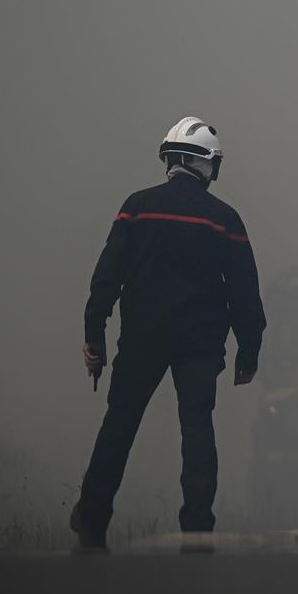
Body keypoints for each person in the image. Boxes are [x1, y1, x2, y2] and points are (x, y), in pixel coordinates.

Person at [72, 117, 265, 551]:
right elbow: (244, 293)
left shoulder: (137, 207)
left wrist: (94, 334)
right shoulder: (225, 218)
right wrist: (248, 352)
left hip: (141, 339)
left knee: (118, 426)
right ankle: (197, 533)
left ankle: (91, 522)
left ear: (171, 159)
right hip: (199, 345)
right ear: (206, 165)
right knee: (197, 432)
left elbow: (107, 276)